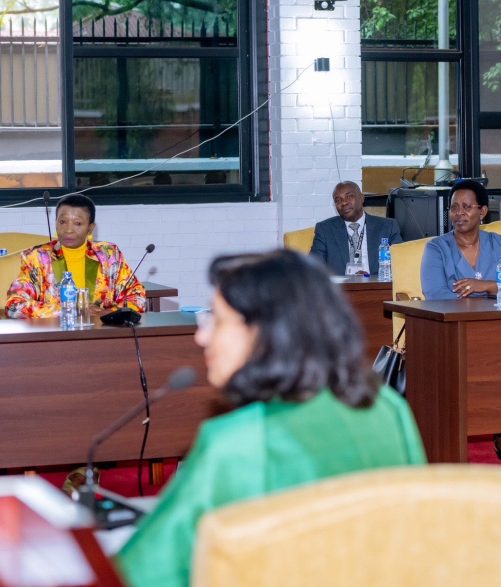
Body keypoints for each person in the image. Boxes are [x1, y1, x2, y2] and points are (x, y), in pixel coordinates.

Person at [116, 250, 425, 587]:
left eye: (217, 319)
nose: (200, 336)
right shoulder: (387, 408)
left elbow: (142, 570)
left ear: (266, 333)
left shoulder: (238, 442)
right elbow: (416, 533)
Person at [421, 179, 501, 464]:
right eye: (454, 207)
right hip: (452, 330)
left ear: (482, 211)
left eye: (466, 207)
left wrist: (484, 286)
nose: (459, 213)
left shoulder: (497, 243)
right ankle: (453, 435)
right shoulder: (437, 248)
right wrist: (491, 294)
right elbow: (435, 294)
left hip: (496, 328)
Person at [5, 193, 146, 319]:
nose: (68, 230)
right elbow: (14, 306)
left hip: (101, 332)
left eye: (78, 223)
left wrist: (108, 314)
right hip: (55, 334)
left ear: (90, 228)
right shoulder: (38, 257)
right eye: (62, 222)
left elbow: (138, 297)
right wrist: (70, 311)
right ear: (55, 223)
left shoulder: (108, 255)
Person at [310, 181, 403, 276]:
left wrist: (370, 279)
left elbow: (400, 264)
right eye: (338, 200)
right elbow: (313, 268)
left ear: (362, 198)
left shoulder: (387, 227)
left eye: (349, 196)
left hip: (376, 283)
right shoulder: (325, 230)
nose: (344, 202)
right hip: (340, 285)